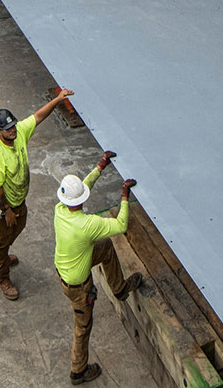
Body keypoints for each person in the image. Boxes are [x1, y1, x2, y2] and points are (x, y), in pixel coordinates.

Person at [54, 150, 144, 383]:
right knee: (82, 328)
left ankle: (119, 288)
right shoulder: (87, 225)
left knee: (104, 247)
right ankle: (78, 371)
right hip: (77, 285)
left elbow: (83, 187)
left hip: (65, 268)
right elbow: (121, 225)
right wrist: (124, 195)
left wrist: (101, 166)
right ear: (81, 200)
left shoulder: (59, 210)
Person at [0, 87, 76, 300]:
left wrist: (57, 99)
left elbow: (37, 116)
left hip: (18, 200)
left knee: (20, 224)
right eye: (7, 129)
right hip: (2, 203)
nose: (13, 131)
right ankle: (2, 275)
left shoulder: (18, 133)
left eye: (13, 126)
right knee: (1, 240)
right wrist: (6, 210)